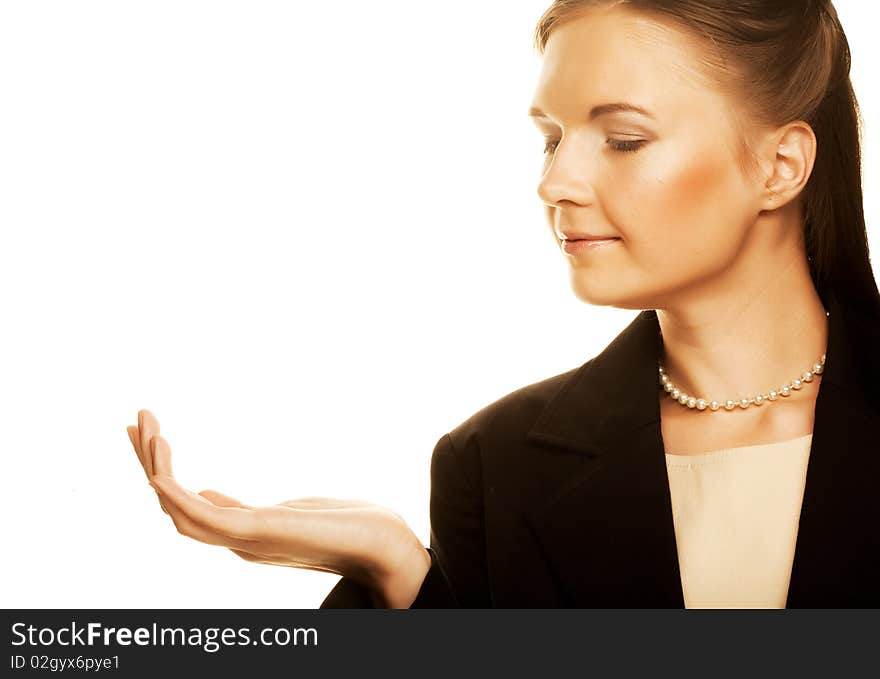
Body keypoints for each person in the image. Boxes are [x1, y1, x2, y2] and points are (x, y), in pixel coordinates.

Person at [128, 0, 880, 608]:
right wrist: (402, 578)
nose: (555, 182)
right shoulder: (494, 465)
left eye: (621, 138)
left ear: (780, 165)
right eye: (551, 138)